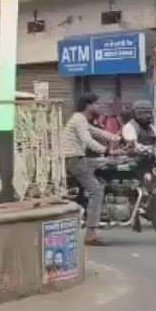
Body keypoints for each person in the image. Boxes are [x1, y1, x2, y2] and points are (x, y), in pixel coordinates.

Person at [62, 93, 120, 245]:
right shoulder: (79, 119)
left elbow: (97, 132)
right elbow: (87, 140)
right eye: (96, 104)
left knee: (108, 163)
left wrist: (119, 139)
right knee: (96, 191)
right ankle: (91, 233)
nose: (99, 107)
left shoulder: (81, 119)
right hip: (75, 160)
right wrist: (106, 150)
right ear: (88, 105)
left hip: (79, 159)